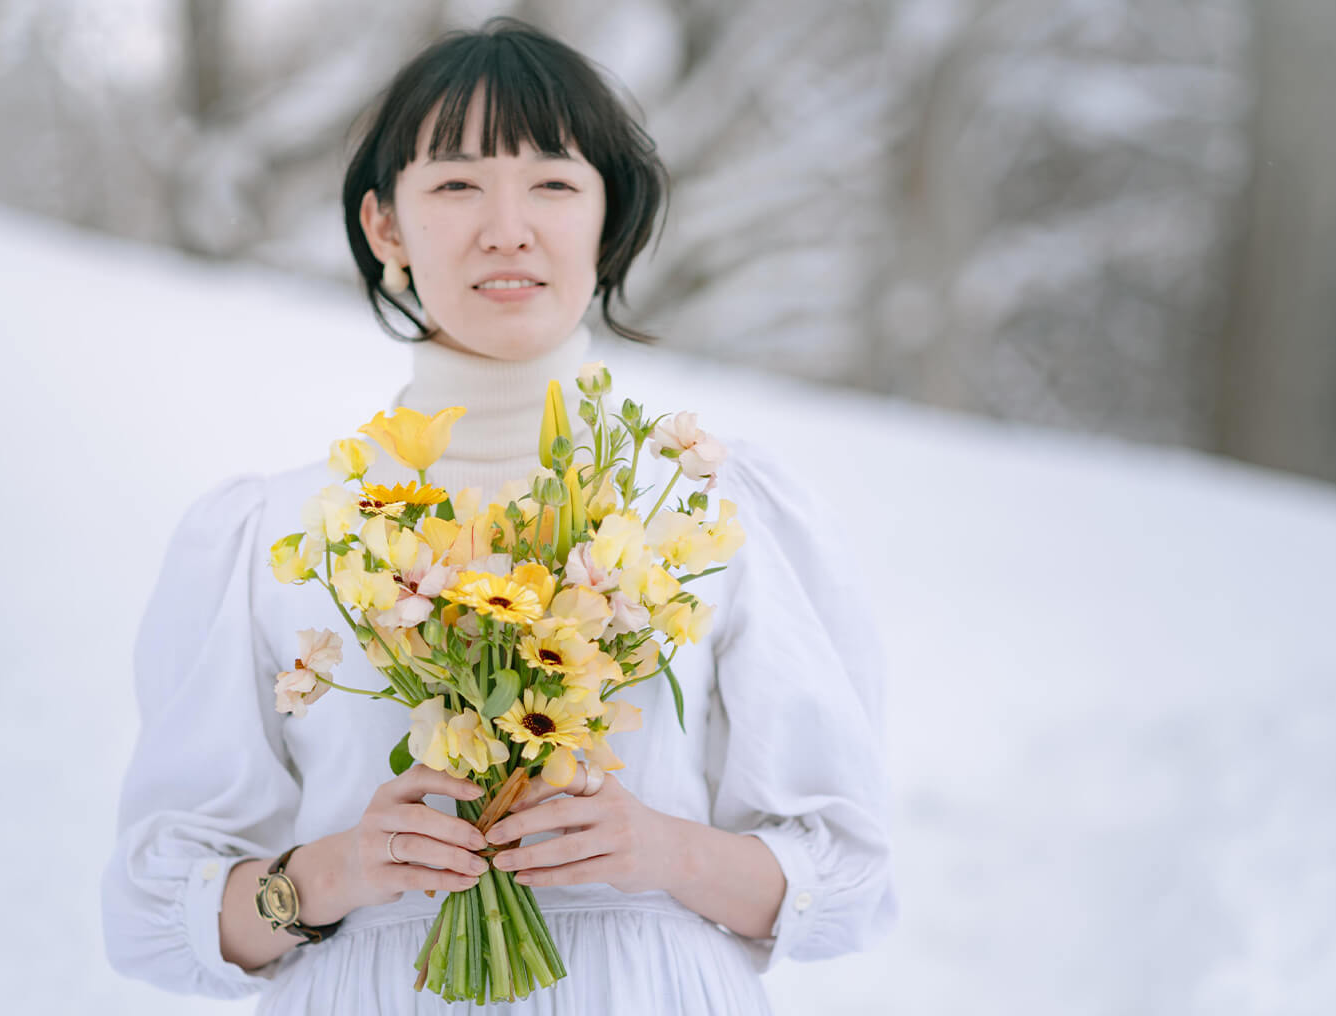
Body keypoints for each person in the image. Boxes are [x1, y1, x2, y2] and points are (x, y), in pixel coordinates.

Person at [101, 17, 896, 1013]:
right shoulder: (279, 533)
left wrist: (660, 849)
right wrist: (332, 871)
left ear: (608, 220)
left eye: (555, 184)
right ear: (385, 225)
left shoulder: (709, 510)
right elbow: (149, 909)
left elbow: (851, 878)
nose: (507, 227)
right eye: (455, 184)